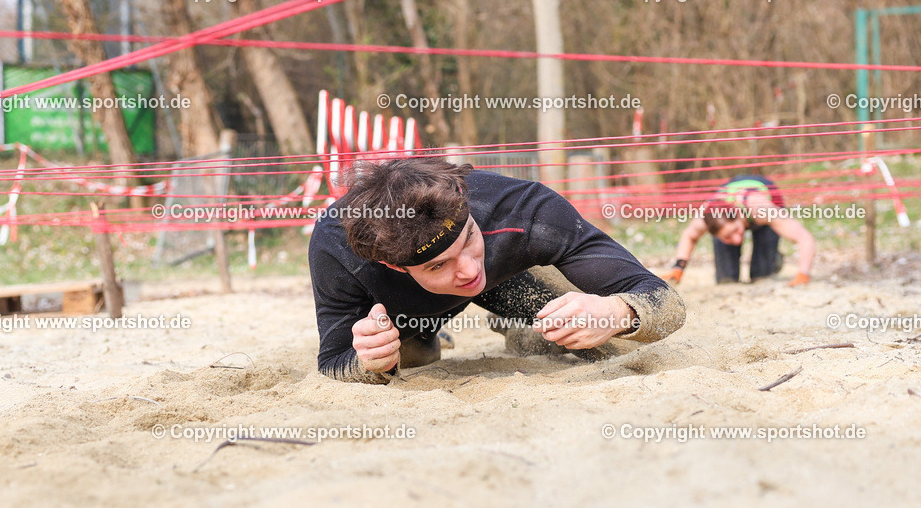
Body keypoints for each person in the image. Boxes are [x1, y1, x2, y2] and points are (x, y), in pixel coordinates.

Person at [308, 157, 686, 384]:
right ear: (392, 264)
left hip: (511, 279)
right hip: (403, 313)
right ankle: (424, 336)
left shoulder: (524, 209)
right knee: (404, 363)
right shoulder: (335, 249)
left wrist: (618, 313)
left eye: (469, 237)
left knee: (613, 342)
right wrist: (366, 361)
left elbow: (665, 301)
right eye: (438, 264)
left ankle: (526, 332)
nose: (469, 270)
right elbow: (333, 362)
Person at [662, 174, 814, 286]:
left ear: (739, 214)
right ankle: (726, 243)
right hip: (731, 195)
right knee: (726, 280)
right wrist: (678, 269)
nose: (737, 239)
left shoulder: (762, 209)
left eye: (737, 231)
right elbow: (689, 236)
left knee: (762, 276)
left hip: (763, 203)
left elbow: (804, 238)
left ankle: (773, 260)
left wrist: (803, 273)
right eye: (728, 236)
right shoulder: (705, 217)